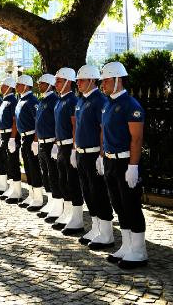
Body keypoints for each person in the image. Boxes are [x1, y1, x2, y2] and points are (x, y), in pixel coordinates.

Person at [100, 62, 147, 269]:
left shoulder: (131, 105)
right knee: (118, 205)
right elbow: (104, 133)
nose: (103, 84)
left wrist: (133, 166)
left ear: (118, 80)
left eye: (107, 80)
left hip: (125, 161)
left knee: (132, 206)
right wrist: (102, 156)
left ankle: (139, 250)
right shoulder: (108, 103)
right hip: (111, 161)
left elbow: (136, 139)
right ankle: (127, 246)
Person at [74, 65, 114, 249]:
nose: (78, 83)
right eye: (77, 80)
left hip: (93, 154)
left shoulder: (99, 100)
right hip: (82, 153)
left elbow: (102, 129)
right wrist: (75, 149)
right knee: (88, 193)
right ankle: (96, 228)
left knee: (98, 193)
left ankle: (106, 233)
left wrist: (101, 155)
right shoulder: (81, 100)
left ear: (92, 80)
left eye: (81, 80)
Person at [51, 67, 84, 236]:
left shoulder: (72, 100)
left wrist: (73, 149)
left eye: (59, 81)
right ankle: (68, 212)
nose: (55, 84)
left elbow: (74, 126)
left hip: (69, 145)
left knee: (73, 182)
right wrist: (57, 144)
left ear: (68, 82)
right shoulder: (59, 100)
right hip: (61, 145)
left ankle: (77, 218)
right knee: (63, 180)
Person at [15, 75, 43, 211]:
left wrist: (36, 141)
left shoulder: (32, 100)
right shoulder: (21, 100)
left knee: (34, 168)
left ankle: (38, 198)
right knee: (27, 167)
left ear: (26, 85)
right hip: (24, 138)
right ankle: (32, 195)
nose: (16, 86)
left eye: (19, 84)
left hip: (31, 137)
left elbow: (38, 121)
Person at [34, 74, 60, 219]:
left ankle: (58, 204)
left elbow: (58, 124)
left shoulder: (54, 100)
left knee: (53, 174)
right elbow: (38, 122)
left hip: (51, 142)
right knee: (46, 174)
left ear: (50, 84)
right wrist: (36, 140)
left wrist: (56, 143)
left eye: (42, 83)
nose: (39, 85)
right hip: (42, 142)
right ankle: (51, 201)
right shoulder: (42, 99)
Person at [0, 77, 18, 199]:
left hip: (10, 134)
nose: (1, 87)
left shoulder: (12, 101)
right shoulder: (5, 100)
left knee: (13, 162)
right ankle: (11, 187)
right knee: (6, 161)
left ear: (10, 87)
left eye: (4, 85)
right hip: (4, 134)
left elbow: (14, 121)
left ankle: (17, 190)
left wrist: (12, 138)